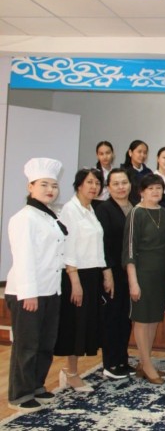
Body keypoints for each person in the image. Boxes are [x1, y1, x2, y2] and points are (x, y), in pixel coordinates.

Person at [6, 158, 65, 412]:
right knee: (27, 345)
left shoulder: (49, 216)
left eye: (54, 185)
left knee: (45, 343)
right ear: (30, 187)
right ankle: (20, 393)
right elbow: (24, 257)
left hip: (50, 289)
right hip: (28, 292)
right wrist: (29, 294)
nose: (50, 189)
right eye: (44, 184)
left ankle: (37, 385)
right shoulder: (24, 218)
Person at [54, 168, 107, 393]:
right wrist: (75, 281)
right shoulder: (70, 210)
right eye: (89, 182)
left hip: (92, 273)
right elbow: (68, 247)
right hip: (75, 274)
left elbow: (97, 245)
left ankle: (71, 371)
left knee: (85, 323)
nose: (94, 187)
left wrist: (105, 273)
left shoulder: (91, 209)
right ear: (79, 185)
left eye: (97, 183)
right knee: (74, 324)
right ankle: (71, 372)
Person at [123, 173, 165, 385]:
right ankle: (146, 363)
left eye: (158, 188)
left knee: (153, 319)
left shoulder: (164, 212)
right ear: (141, 191)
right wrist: (133, 282)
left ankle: (145, 362)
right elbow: (129, 249)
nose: (155, 191)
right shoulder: (136, 213)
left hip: (161, 274)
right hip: (142, 273)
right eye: (150, 188)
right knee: (142, 319)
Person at [95, 168, 135, 380]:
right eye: (116, 184)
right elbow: (102, 244)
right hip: (112, 271)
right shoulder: (104, 209)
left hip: (130, 271)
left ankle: (122, 360)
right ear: (108, 187)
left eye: (124, 182)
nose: (121, 187)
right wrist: (107, 272)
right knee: (112, 317)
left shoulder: (134, 207)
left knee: (125, 317)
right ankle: (110, 363)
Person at [121, 139, 152, 206]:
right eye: (139, 152)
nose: (142, 155)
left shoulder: (149, 172)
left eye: (145, 153)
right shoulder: (123, 172)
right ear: (130, 152)